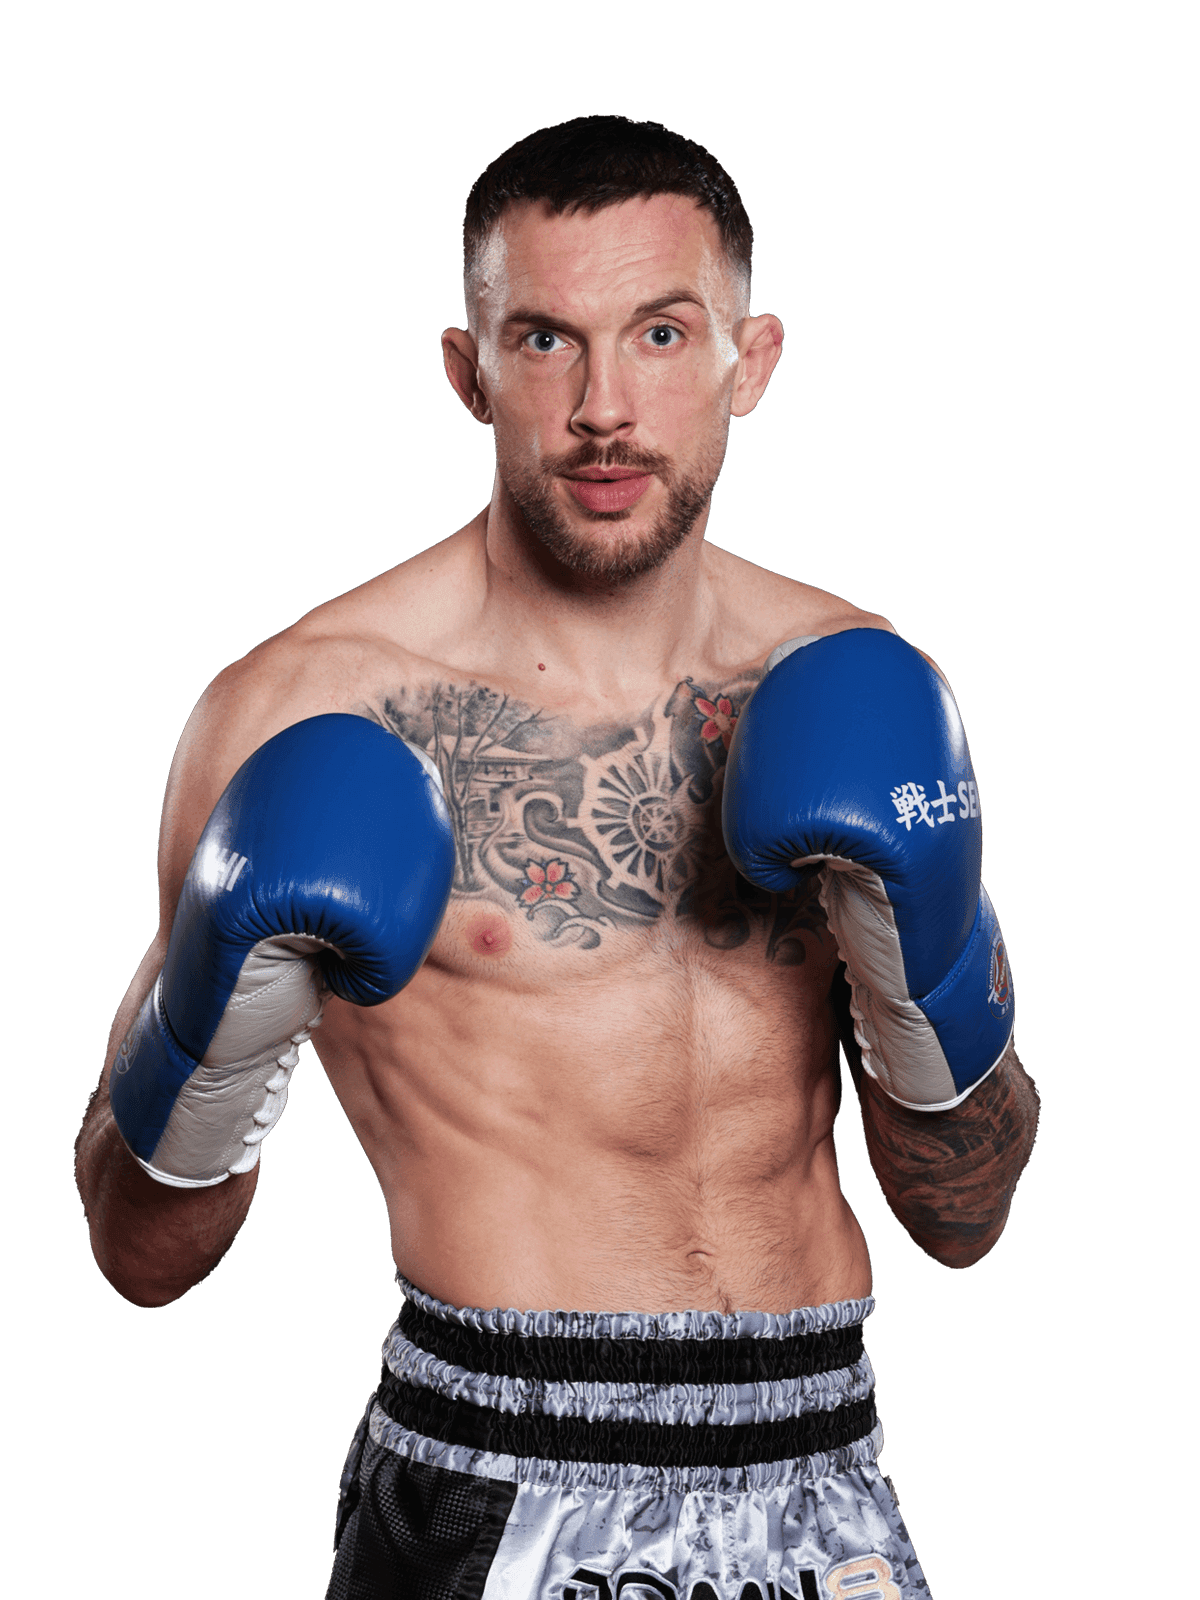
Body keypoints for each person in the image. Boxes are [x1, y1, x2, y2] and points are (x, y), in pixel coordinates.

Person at [75, 116, 1039, 1600]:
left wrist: (933, 993)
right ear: (469, 374)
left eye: (660, 333)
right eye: (544, 341)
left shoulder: (853, 678)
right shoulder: (304, 711)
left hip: (826, 1481)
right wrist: (217, 1039)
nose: (605, 408)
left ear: (750, 360)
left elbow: (963, 1220)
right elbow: (139, 1255)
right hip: (495, 1482)